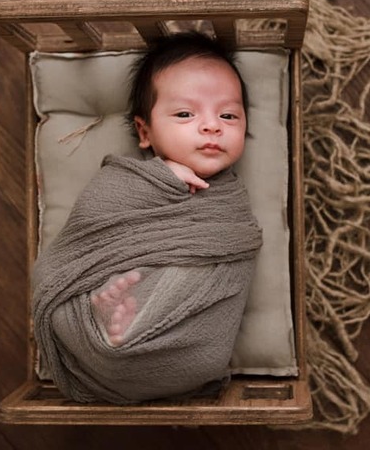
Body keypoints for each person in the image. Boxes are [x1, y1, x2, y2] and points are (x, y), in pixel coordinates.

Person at [31, 32, 262, 404]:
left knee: (188, 280)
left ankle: (127, 317)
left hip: (191, 352)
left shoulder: (229, 200)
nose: (211, 126)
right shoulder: (129, 179)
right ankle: (109, 317)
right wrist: (160, 177)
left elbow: (233, 248)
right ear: (145, 131)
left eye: (228, 115)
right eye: (185, 114)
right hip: (97, 312)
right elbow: (89, 227)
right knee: (113, 284)